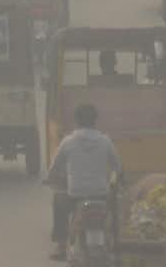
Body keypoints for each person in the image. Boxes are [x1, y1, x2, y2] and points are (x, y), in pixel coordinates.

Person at [44, 102, 122, 261]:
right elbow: (118, 168)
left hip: (75, 197)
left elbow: (54, 169)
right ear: (95, 120)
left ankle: (60, 245)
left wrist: (50, 179)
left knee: (58, 200)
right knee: (115, 207)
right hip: (101, 195)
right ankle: (116, 241)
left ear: (76, 120)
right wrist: (118, 181)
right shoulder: (105, 141)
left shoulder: (68, 141)